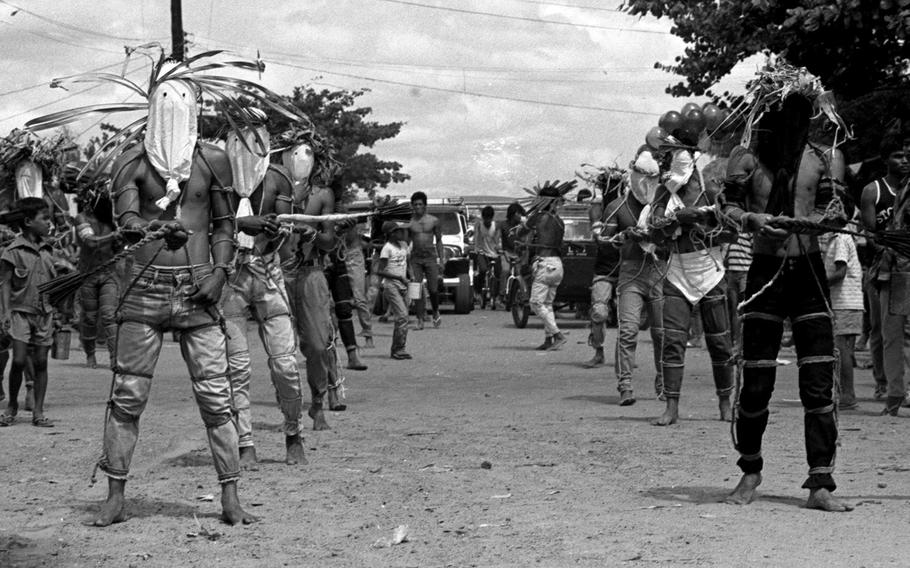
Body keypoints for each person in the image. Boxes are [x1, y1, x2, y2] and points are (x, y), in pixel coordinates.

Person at [723, 86, 851, 512]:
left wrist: (814, 222)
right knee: (756, 379)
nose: (789, 120)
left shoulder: (824, 156)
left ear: (809, 113)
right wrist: (751, 219)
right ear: (766, 112)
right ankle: (750, 471)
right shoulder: (747, 159)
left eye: (797, 111)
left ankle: (820, 483)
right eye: (781, 111)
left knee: (818, 381)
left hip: (810, 272)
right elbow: (728, 206)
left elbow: (838, 208)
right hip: (764, 272)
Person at [221, 116, 307, 469]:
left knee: (285, 364)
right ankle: (244, 442)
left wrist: (267, 233)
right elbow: (210, 221)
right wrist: (241, 225)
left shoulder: (277, 178)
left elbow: (282, 226)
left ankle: (293, 433)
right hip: (230, 278)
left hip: (268, 272)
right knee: (236, 368)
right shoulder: (219, 176)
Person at [650, 152, 735, 426]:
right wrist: (675, 222)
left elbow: (732, 231)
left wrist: (698, 222)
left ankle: (725, 402)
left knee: (720, 343)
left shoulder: (711, 194)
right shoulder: (664, 194)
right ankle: (671, 407)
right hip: (677, 271)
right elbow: (654, 231)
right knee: (672, 341)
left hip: (709, 271)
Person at [278, 131, 343, 430]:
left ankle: (318, 402)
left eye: (306, 153)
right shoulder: (271, 189)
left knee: (317, 345)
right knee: (281, 349)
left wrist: (313, 233)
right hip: (276, 273)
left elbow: (330, 242)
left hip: (310, 272)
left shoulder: (322, 195)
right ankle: (289, 408)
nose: (299, 159)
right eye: (293, 153)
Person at [600, 150, 665, 403]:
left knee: (661, 333)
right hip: (630, 273)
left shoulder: (663, 206)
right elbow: (604, 242)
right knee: (627, 330)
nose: (647, 181)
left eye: (653, 177)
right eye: (644, 176)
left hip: (659, 271)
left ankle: (663, 381)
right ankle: (625, 385)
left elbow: (674, 241)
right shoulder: (617, 207)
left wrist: (655, 239)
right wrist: (623, 237)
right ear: (634, 175)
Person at [859, 137, 910, 413]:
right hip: (884, 269)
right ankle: (888, 388)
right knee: (884, 332)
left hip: (904, 266)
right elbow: (870, 234)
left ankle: (899, 390)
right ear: (885, 160)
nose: (903, 161)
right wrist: (888, 245)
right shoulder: (873, 191)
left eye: (906, 156)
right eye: (898, 156)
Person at [0, 198, 56, 428]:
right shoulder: (12, 251)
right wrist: (5, 313)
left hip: (44, 313)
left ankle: (38, 412)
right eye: (44, 218)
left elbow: (54, 284)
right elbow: (4, 283)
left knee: (42, 361)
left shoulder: (49, 250)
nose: (49, 223)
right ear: (28, 222)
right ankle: (12, 404)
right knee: (20, 360)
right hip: (19, 313)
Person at [74, 186, 121, 369]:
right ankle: (90, 355)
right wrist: (114, 235)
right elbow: (90, 242)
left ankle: (114, 358)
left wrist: (121, 239)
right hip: (88, 275)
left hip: (109, 274)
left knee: (109, 316)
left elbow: (117, 246)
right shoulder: (81, 219)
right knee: (90, 318)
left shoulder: (111, 221)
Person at [519, 185, 567, 350]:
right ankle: (549, 339)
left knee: (535, 303)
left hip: (545, 264)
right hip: (557, 264)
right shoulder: (560, 221)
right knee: (547, 304)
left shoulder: (538, 217)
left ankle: (557, 334)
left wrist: (521, 226)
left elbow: (520, 233)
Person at [819, 231, 863, 410]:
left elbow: (840, 272)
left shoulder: (840, 239)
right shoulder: (837, 239)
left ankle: (847, 395)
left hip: (844, 301)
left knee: (840, 350)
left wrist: (818, 283)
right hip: (847, 302)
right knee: (843, 350)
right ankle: (845, 394)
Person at [584, 186, 621, 368]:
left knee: (629, 317)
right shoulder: (598, 216)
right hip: (604, 272)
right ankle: (599, 351)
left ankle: (625, 355)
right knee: (599, 312)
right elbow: (599, 237)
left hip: (627, 272)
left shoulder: (628, 211)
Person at [378, 221, 412, 359]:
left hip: (403, 285)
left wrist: (412, 276)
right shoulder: (386, 249)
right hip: (391, 285)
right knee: (402, 316)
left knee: (402, 318)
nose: (401, 233)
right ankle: (398, 348)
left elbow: (407, 263)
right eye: (398, 231)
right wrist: (398, 277)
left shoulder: (404, 245)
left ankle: (399, 348)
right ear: (392, 234)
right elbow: (380, 271)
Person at [409, 191, 443, 329]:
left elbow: (439, 240)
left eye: (420, 204)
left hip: (430, 257)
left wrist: (442, 259)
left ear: (425, 205)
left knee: (433, 289)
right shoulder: (410, 222)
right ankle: (419, 318)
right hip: (416, 258)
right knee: (415, 288)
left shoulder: (433, 221)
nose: (417, 207)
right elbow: (406, 242)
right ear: (412, 206)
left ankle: (435, 311)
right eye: (415, 204)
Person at [344, 221, 374, 349]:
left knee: (359, 298)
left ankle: (368, 335)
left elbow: (351, 238)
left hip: (352, 256)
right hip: (338, 255)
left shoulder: (346, 219)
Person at [724, 232, 752, 345]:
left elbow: (755, 250)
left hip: (745, 273)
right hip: (731, 274)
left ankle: (746, 339)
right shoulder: (729, 232)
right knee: (733, 308)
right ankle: (734, 340)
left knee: (744, 307)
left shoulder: (749, 233)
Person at [473, 206, 502, 309]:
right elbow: (477, 239)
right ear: (483, 218)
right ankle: (478, 290)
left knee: (498, 273)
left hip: (495, 253)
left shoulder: (496, 226)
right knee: (483, 270)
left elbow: (497, 239)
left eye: (489, 219)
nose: (487, 221)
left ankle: (497, 296)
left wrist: (499, 248)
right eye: (485, 219)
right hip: (482, 253)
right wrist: (477, 250)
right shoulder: (479, 226)